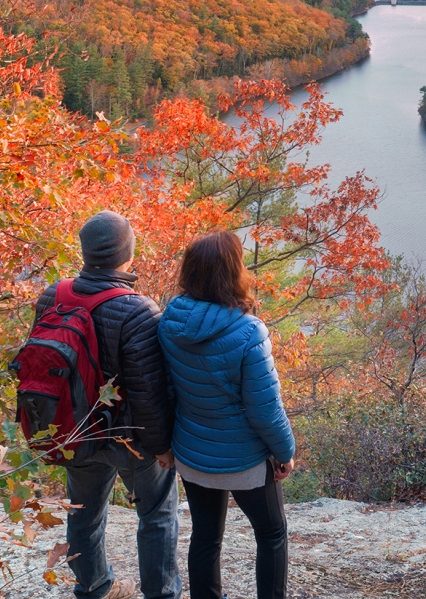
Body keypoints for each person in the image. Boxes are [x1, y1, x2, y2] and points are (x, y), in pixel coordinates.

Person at [35, 211, 180, 599]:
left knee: (83, 514)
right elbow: (148, 391)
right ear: (128, 253)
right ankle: (161, 594)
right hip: (128, 438)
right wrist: (162, 446)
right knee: (157, 515)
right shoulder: (138, 310)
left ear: (85, 252)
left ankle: (93, 587)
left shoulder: (53, 295)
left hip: (74, 430)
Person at [157, 231, 296, 599]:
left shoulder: (170, 319)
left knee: (205, 537)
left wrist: (167, 443)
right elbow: (265, 409)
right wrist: (284, 452)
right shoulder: (248, 331)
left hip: (192, 452)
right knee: (271, 533)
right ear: (235, 272)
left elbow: (167, 390)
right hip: (244, 459)